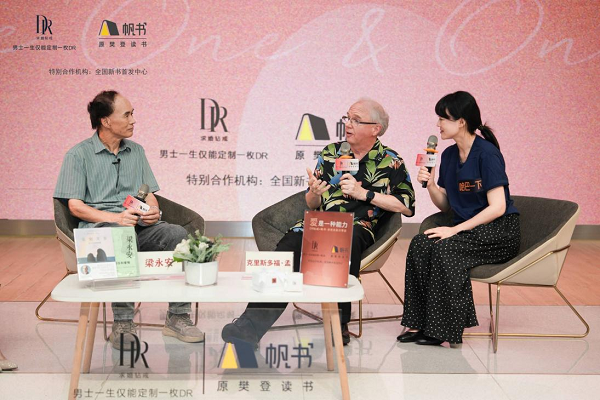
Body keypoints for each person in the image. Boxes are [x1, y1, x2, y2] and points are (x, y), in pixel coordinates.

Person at [222, 98, 415, 346]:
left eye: (356, 120)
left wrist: (364, 194)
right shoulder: (331, 153)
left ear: (375, 128)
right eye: (347, 118)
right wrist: (314, 192)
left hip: (358, 227)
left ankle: (338, 325)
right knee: (286, 251)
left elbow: (406, 206)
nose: (348, 124)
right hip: (318, 223)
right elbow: (312, 203)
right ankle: (249, 327)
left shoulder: (391, 160)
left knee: (345, 241)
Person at [54, 90, 204, 350]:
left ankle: (177, 316)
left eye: (132, 113)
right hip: (101, 230)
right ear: (105, 121)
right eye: (126, 115)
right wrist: (116, 218)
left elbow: (149, 193)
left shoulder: (136, 151)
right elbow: (75, 207)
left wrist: (152, 211)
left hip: (138, 225)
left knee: (177, 234)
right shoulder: (78, 155)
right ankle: (123, 323)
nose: (133, 120)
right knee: (119, 235)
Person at [397, 91, 520, 346]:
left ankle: (443, 329)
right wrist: (431, 184)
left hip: (498, 231)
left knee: (446, 249)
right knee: (420, 244)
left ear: (461, 121)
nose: (438, 124)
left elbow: (497, 207)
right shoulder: (449, 155)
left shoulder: (487, 154)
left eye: (443, 118)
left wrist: (455, 230)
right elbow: (446, 205)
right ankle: (419, 323)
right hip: (467, 231)